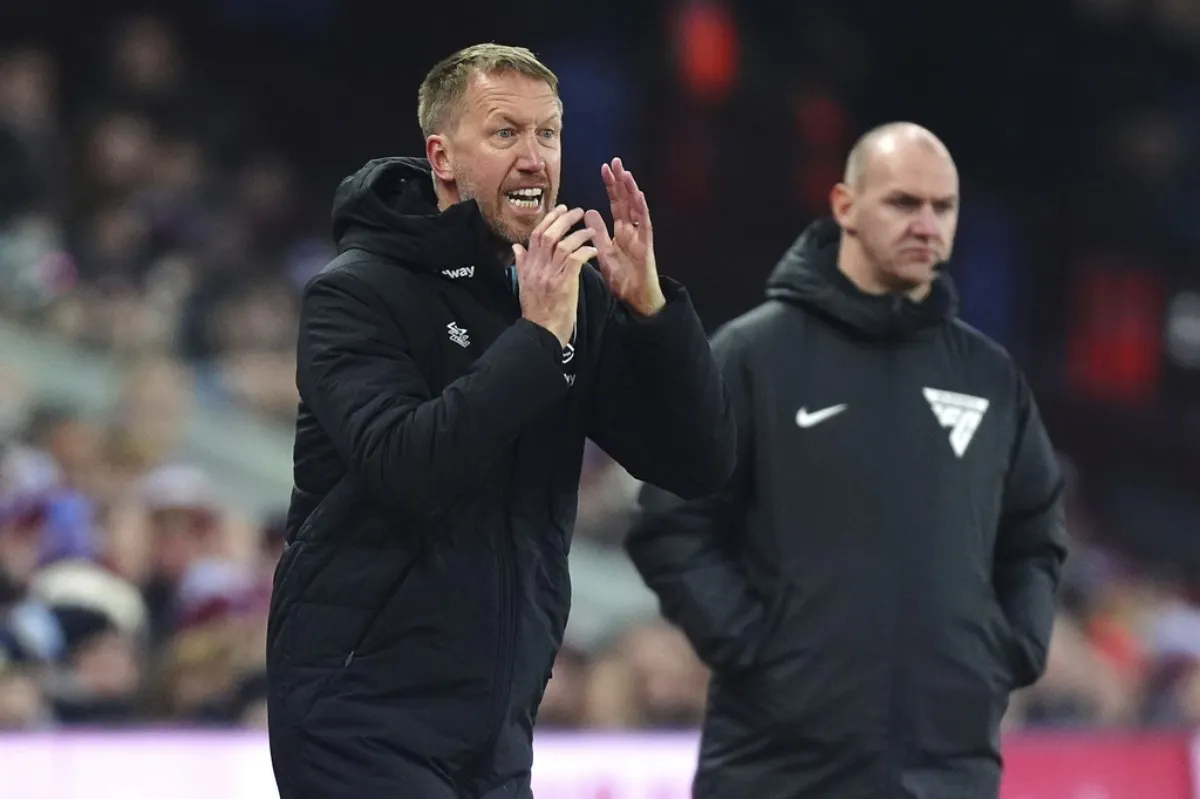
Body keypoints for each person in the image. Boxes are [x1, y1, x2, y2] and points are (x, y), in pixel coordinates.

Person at [265, 43, 736, 799]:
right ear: (443, 156)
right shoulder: (356, 293)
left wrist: (652, 309)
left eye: (547, 134)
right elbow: (408, 467)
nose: (534, 157)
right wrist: (539, 338)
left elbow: (699, 462)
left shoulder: (561, 293)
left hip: (498, 730)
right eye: (505, 133)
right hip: (358, 714)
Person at [625, 122, 1069, 799]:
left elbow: (1035, 531)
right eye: (902, 203)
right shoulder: (754, 355)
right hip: (779, 767)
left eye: (943, 207)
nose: (927, 224)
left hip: (949, 767)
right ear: (843, 205)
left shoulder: (988, 375)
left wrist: (1008, 649)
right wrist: (755, 647)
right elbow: (671, 521)